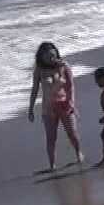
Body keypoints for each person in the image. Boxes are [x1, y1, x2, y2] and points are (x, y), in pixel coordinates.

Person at [27, 41, 84, 171]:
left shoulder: (64, 66)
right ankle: (52, 164)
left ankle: (78, 153)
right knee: (51, 137)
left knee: (72, 133)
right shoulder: (39, 70)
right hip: (48, 108)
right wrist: (30, 108)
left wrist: (71, 103)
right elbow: (35, 89)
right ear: (41, 57)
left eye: (53, 55)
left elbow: (70, 87)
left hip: (64, 104)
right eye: (47, 56)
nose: (51, 58)